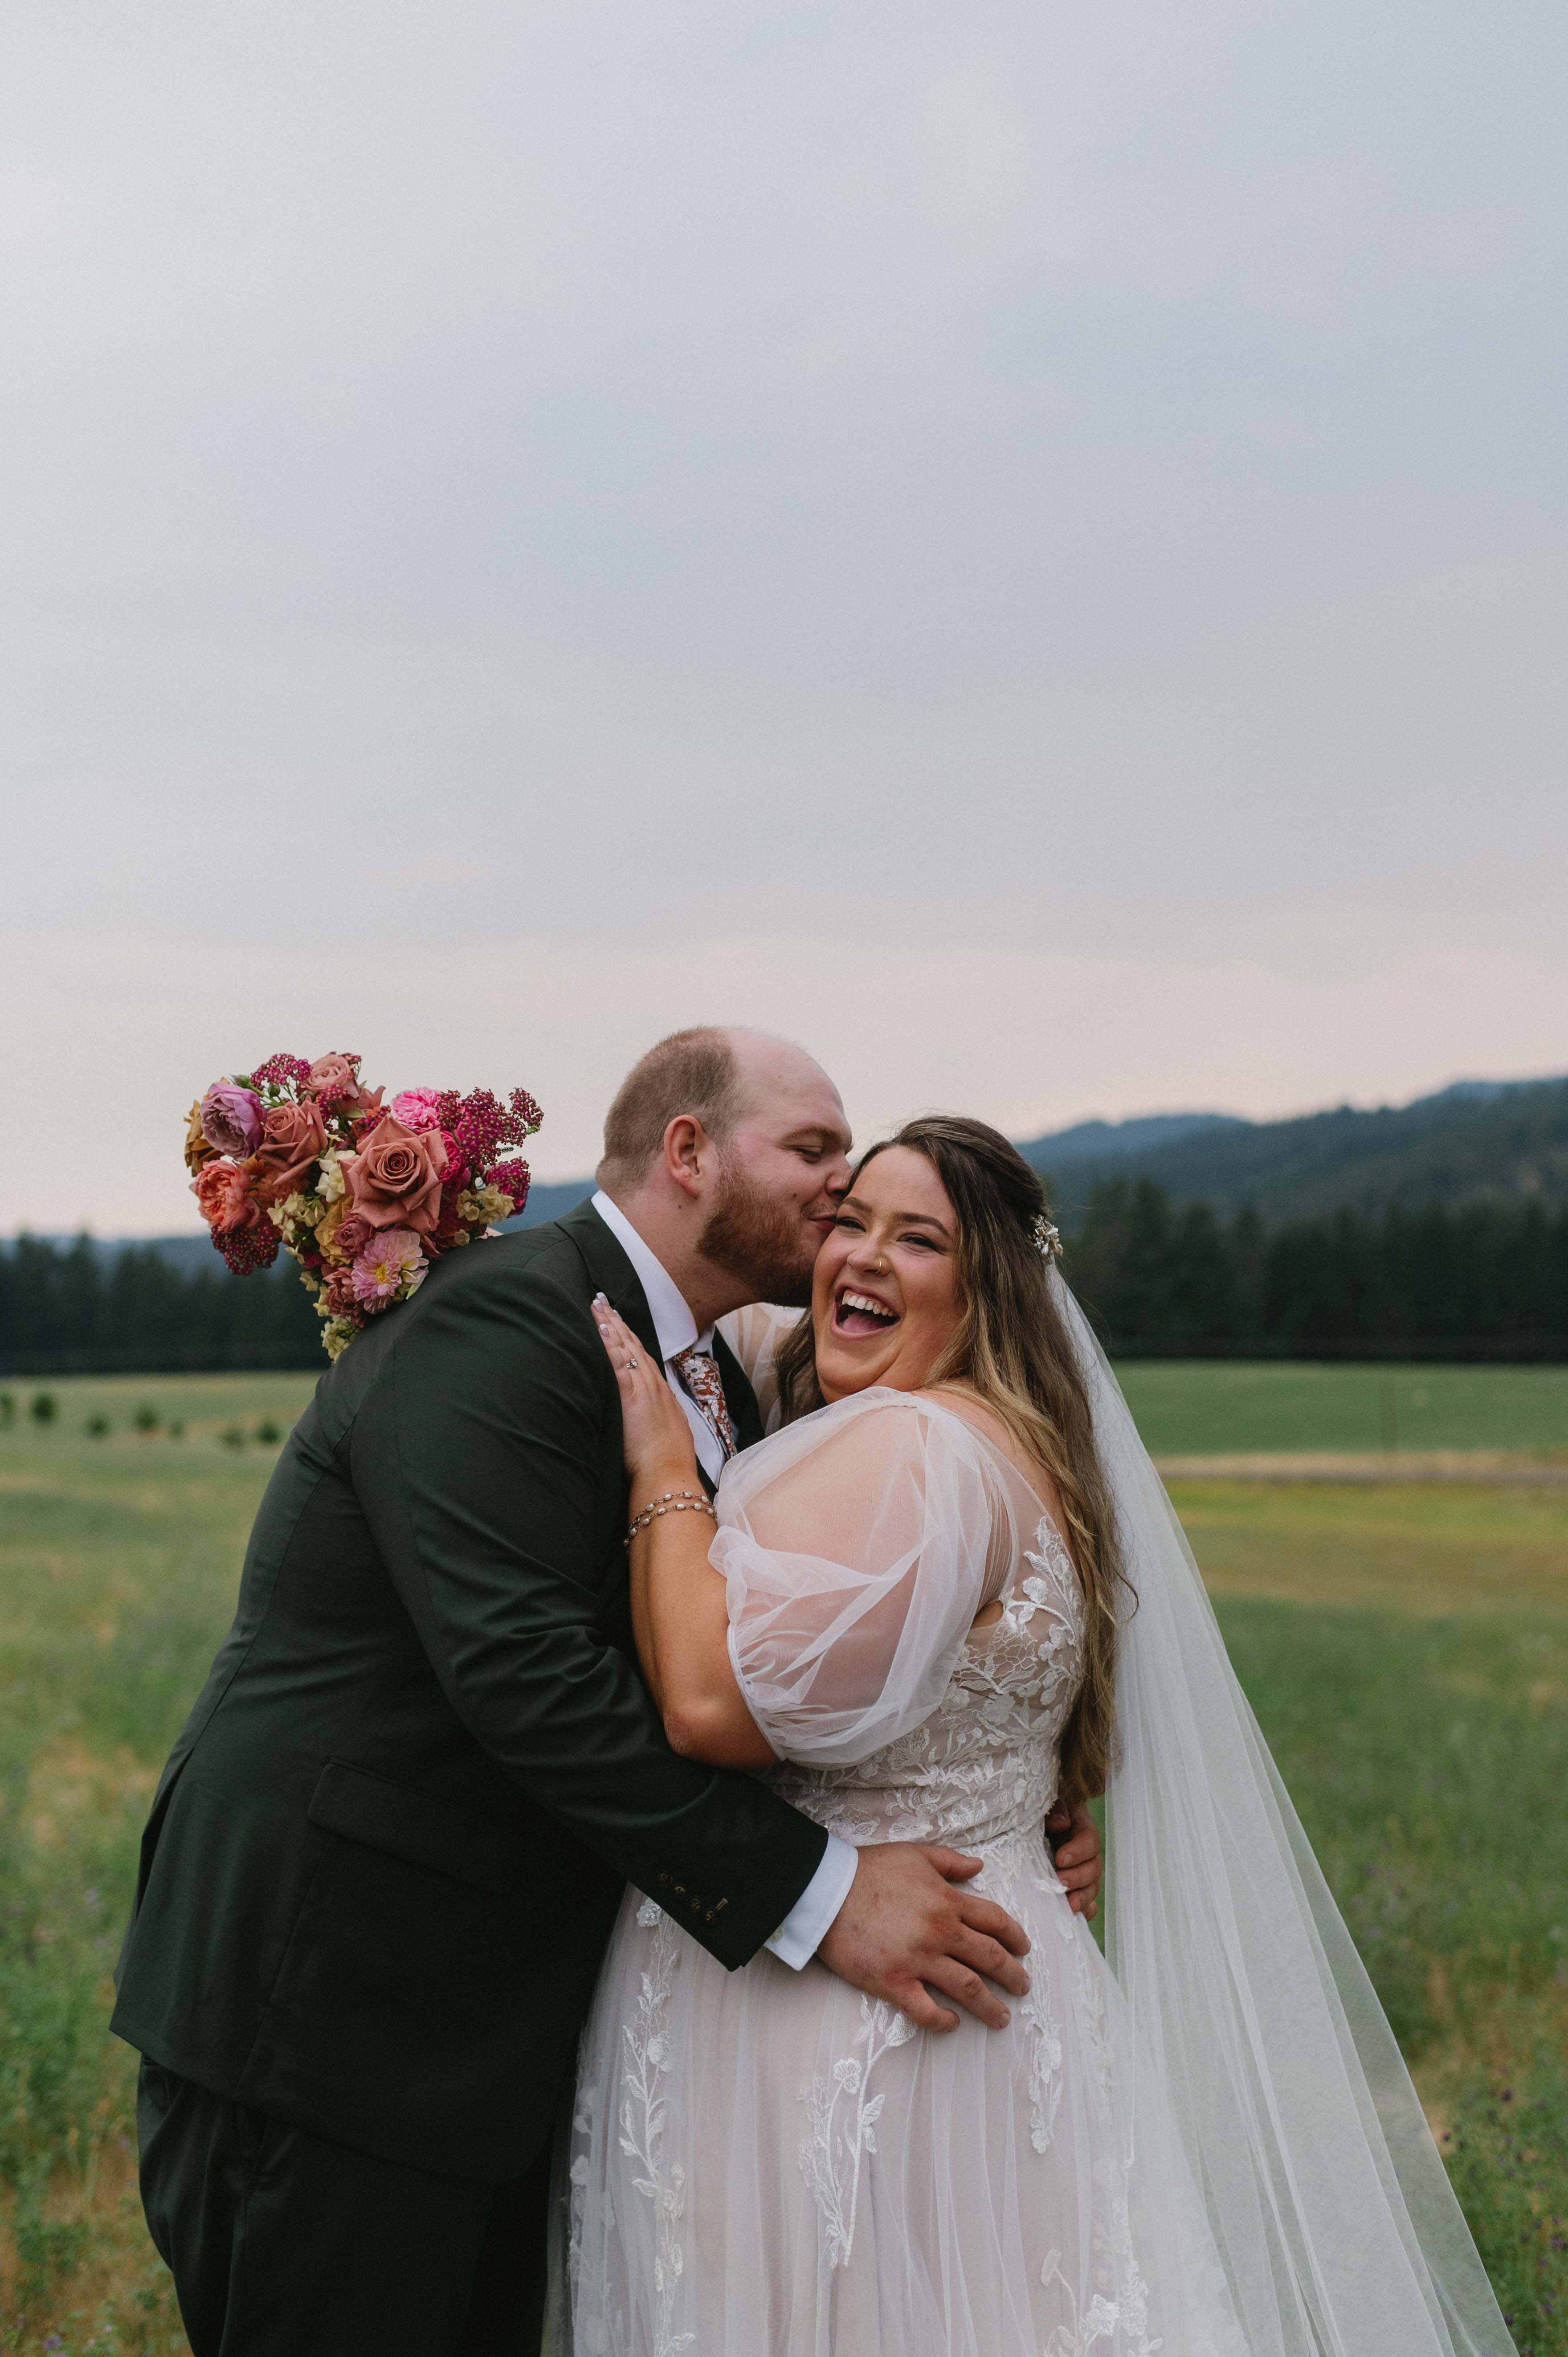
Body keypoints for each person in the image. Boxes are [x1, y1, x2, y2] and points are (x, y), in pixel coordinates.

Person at [111, 1030, 1102, 2357]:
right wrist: (824, 1892)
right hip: (336, 2017)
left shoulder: (716, 1371)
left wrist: (1006, 1804)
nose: (839, 1189)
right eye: (815, 1152)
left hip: (483, 2041)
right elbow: (528, 1675)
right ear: (689, 1151)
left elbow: (799, 1644)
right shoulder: (504, 1323)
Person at [572, 1114, 1519, 2357]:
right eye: (849, 1220)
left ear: (990, 1290)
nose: (863, 1256)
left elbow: (710, 1704)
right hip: (995, 1985)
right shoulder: (1020, 1442)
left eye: (918, 1239)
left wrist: (662, 1473)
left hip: (861, 2021)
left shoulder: (916, 1449)